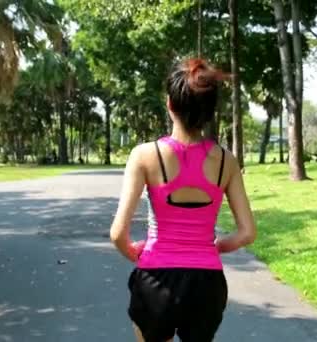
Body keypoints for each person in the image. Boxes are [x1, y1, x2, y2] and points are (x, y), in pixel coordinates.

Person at [110, 58, 257, 342]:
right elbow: (248, 232)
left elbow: (118, 234)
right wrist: (215, 247)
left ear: (169, 104)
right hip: (206, 285)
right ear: (210, 111)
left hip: (156, 279)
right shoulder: (227, 162)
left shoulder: (144, 155)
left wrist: (136, 253)